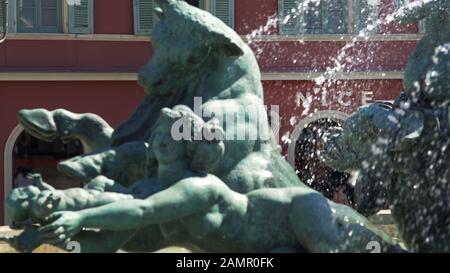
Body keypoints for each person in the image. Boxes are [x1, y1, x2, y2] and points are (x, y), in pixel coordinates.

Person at [38, 106, 403, 253]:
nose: (160, 141)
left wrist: (80, 217)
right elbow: (108, 243)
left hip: (294, 213)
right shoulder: (151, 189)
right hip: (266, 249)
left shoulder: (197, 185)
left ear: (187, 147)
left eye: (171, 135)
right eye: (158, 135)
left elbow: (140, 213)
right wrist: (50, 235)